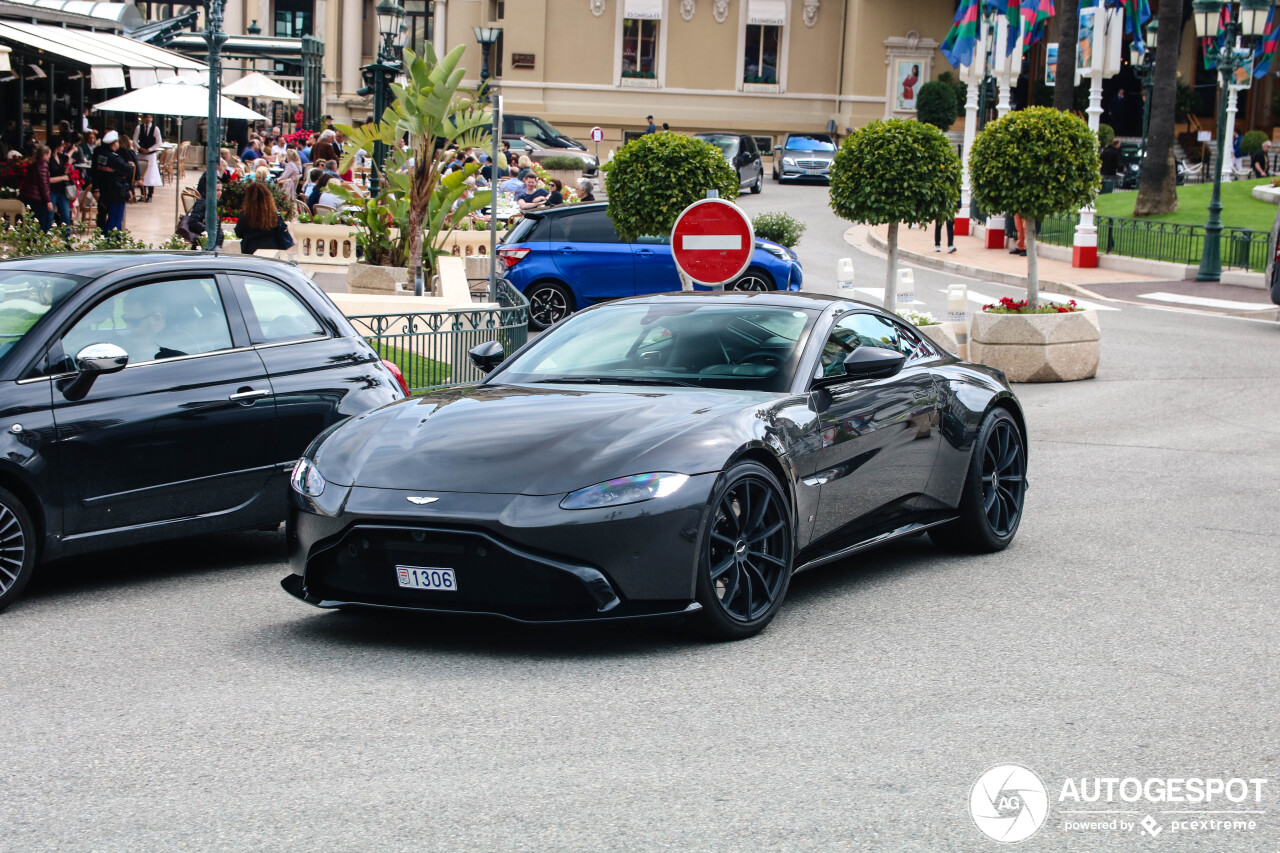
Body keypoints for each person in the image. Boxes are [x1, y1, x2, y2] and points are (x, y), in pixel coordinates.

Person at [235, 181, 293, 254]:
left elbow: (239, 233)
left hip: (251, 249)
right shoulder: (274, 214)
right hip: (272, 249)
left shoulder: (246, 215)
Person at [94, 130, 132, 233]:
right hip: (116, 193)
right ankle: (111, 242)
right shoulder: (114, 158)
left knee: (106, 219)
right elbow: (129, 169)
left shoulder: (100, 154)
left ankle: (105, 239)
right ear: (115, 143)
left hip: (104, 192)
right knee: (115, 221)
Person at [19, 145, 54, 232]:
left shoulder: (34, 164)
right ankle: (38, 243)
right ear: (45, 155)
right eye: (49, 154)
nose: (50, 156)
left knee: (29, 222)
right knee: (40, 224)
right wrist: (48, 200)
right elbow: (43, 184)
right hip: (37, 199)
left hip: (28, 196)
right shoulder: (43, 165)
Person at [188, 171, 225, 248]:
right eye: (217, 190)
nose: (220, 193)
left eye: (221, 190)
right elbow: (193, 221)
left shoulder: (211, 202)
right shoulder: (203, 202)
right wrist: (209, 231)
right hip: (204, 245)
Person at [133, 113, 163, 202]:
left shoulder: (155, 129)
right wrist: (139, 148)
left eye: (149, 117)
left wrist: (149, 149)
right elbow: (134, 140)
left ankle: (150, 195)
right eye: (146, 117)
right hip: (141, 154)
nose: (147, 119)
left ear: (152, 119)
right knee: (141, 174)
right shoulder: (139, 128)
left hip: (150, 155)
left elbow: (159, 142)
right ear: (143, 118)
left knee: (150, 175)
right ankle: (143, 194)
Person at [48, 137, 75, 229]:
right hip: (52, 190)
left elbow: (65, 172)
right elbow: (48, 179)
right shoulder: (49, 159)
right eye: (62, 144)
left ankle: (66, 239)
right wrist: (62, 178)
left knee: (66, 216)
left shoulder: (60, 157)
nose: (64, 146)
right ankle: (46, 237)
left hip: (62, 190)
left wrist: (69, 165)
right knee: (50, 215)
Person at [117, 136, 140, 202]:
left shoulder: (121, 152)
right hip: (133, 174)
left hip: (124, 175)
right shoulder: (132, 152)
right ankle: (131, 192)